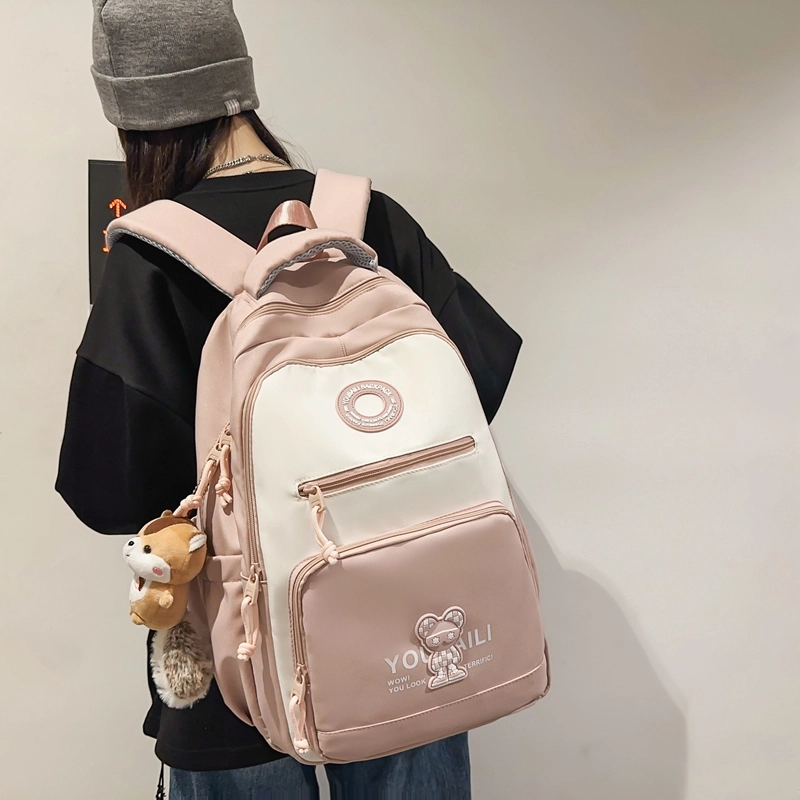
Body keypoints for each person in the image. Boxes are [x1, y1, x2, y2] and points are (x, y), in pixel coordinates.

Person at [58, 1, 522, 797]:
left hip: (240, 668)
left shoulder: (152, 260)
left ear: (135, 122)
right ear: (241, 81)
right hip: (413, 636)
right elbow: (480, 379)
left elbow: (106, 491)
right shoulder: (368, 220)